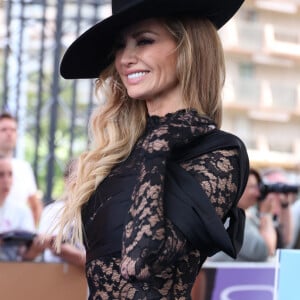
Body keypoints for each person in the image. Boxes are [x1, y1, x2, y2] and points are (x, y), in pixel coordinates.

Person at [56, 0, 249, 298]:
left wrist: (158, 147)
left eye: (144, 40)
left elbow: (139, 263)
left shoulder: (220, 153)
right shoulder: (120, 151)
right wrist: (153, 143)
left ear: (188, 48)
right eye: (120, 46)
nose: (125, 59)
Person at [21, 158, 85, 268]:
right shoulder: (52, 211)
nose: (84, 182)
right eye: (79, 176)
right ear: (66, 180)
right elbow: (34, 254)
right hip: (53, 278)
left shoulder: (101, 212)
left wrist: (76, 256)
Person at [209, 168, 277, 262]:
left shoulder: (247, 217)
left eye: (258, 187)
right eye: (252, 187)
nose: (258, 193)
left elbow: (286, 242)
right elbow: (265, 250)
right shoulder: (230, 219)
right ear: (236, 187)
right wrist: (265, 214)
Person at [0, 112, 42, 226]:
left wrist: (27, 236)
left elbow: (35, 205)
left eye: (13, 130)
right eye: (4, 129)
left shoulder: (24, 168)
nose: (9, 133)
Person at [0, 155, 36, 261]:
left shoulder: (22, 210)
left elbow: (25, 253)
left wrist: (38, 245)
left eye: (10, 174)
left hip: (14, 272)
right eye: (1, 175)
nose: (6, 180)